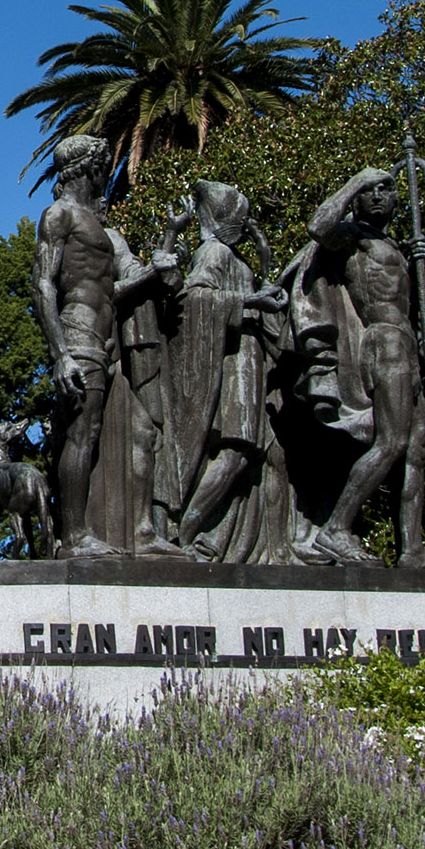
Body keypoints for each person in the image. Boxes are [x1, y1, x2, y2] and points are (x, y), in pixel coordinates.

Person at [274, 168, 425, 566]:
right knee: (391, 442)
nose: (377, 196)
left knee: (415, 450)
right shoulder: (353, 237)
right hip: (384, 343)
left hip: (409, 347)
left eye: (386, 189)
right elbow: (319, 226)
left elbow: (415, 306)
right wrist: (356, 179)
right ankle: (337, 529)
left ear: (398, 201)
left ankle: (411, 549)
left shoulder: (397, 246)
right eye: (369, 191)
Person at [30, 134, 173, 557]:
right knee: (82, 434)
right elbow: (41, 286)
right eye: (104, 166)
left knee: (137, 432)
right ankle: (74, 538)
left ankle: (141, 532)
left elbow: (114, 289)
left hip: (109, 345)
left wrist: (155, 270)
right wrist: (60, 355)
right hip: (79, 336)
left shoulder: (100, 229)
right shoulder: (59, 216)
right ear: (88, 168)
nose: (107, 174)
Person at [148, 181, 297, 563]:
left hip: (248, 360)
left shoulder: (233, 257)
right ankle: (186, 531)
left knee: (245, 457)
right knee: (235, 453)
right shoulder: (213, 252)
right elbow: (197, 299)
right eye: (238, 215)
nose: (244, 222)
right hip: (233, 363)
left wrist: (264, 263)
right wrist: (250, 300)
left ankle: (209, 537)